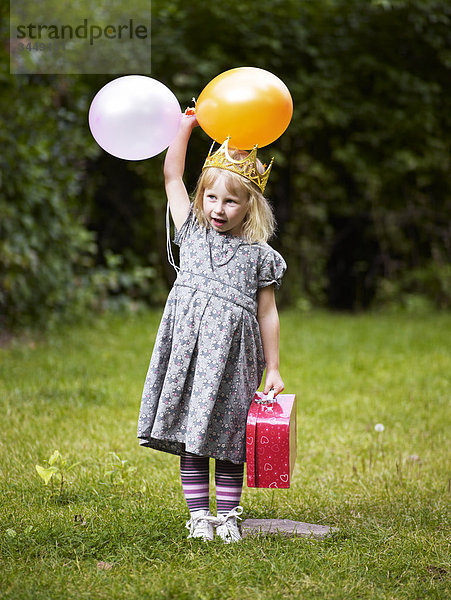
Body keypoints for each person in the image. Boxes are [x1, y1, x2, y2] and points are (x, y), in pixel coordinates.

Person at [137, 112, 287, 543]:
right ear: (201, 197)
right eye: (212, 198)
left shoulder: (259, 255)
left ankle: (228, 515)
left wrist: (273, 367)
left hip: (235, 357)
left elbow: (268, 314)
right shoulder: (192, 231)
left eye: (231, 201)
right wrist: (186, 127)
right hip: (190, 351)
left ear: (251, 206)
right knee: (192, 435)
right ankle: (200, 515)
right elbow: (171, 175)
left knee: (228, 434)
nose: (218, 209)